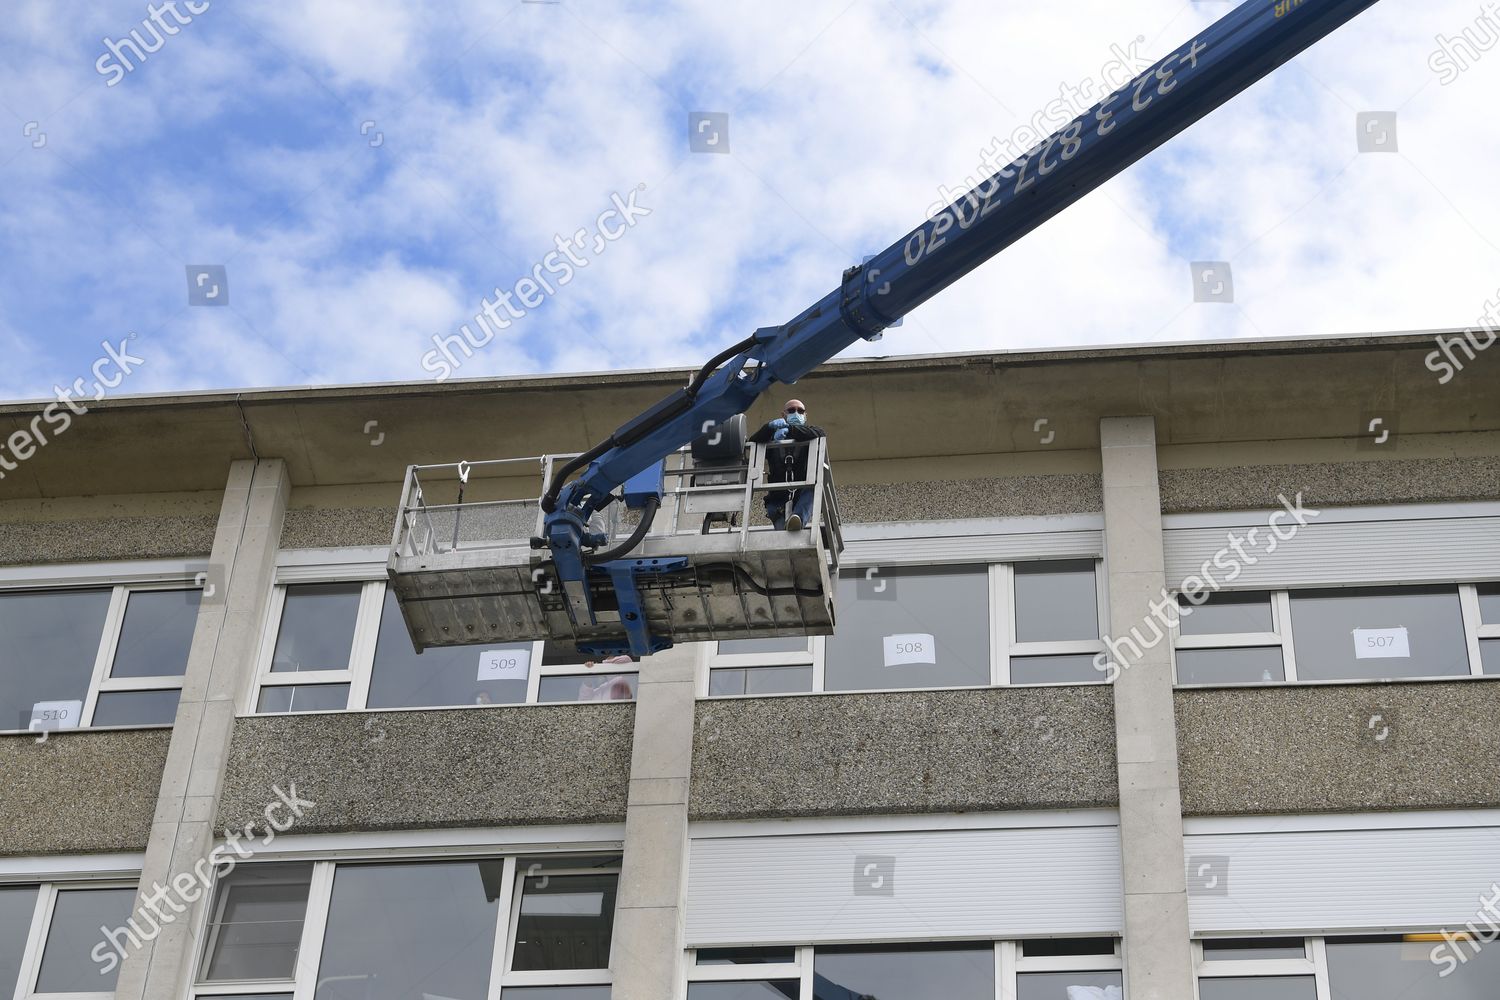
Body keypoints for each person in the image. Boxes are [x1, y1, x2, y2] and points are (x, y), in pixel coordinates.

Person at [748, 398, 826, 531]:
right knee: (782, 534)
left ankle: (798, 518)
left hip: (802, 493)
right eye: (791, 410)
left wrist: (790, 430)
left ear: (805, 416)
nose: (796, 413)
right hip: (778, 498)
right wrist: (769, 427)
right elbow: (753, 442)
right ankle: (791, 523)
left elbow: (820, 434)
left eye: (800, 411)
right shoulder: (774, 437)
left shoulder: (811, 433)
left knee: (814, 488)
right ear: (783, 415)